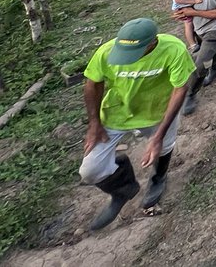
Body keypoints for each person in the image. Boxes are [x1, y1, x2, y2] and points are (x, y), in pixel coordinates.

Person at [79, 17, 194, 230]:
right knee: (90, 170)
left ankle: (159, 178)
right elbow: (91, 84)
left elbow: (180, 89)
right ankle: (123, 190)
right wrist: (94, 123)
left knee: (163, 149)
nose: (125, 59)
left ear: (152, 44)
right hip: (117, 113)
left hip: (157, 112)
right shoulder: (106, 52)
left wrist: (158, 136)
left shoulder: (174, 50)